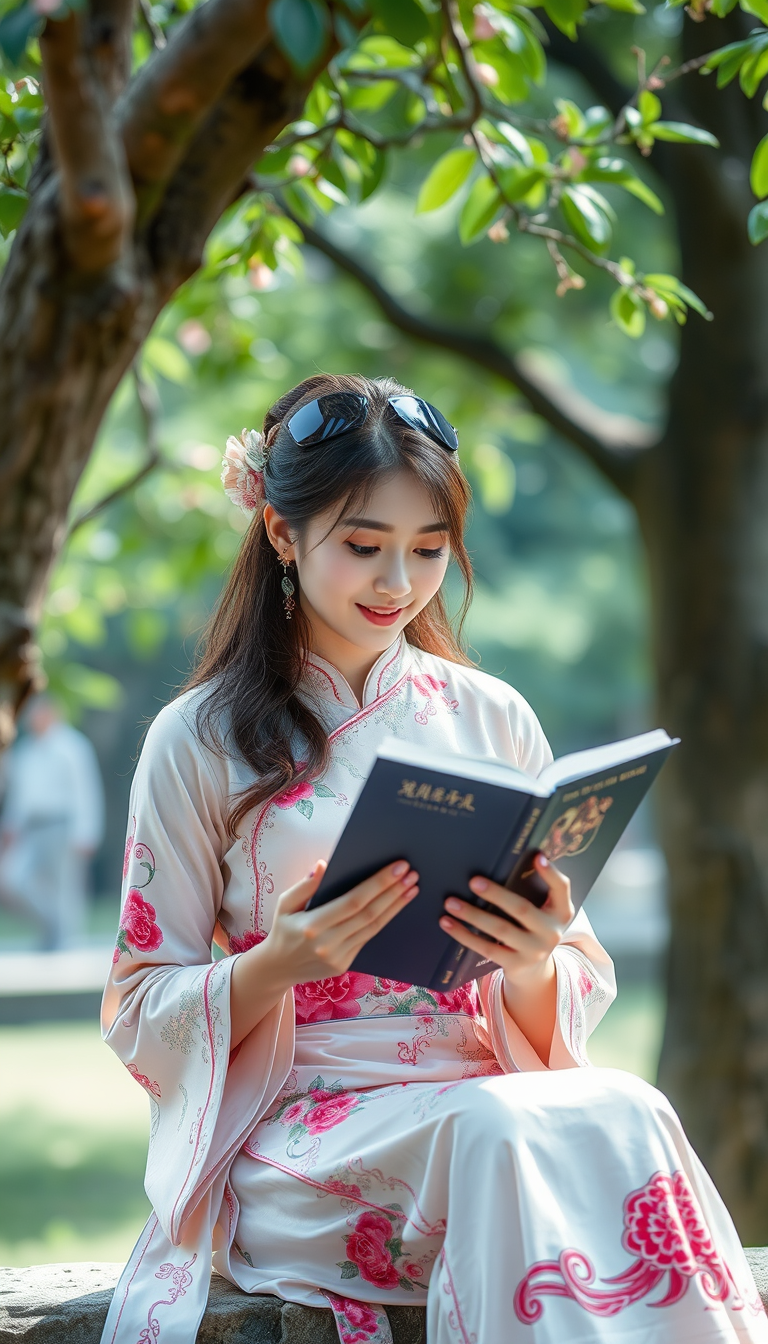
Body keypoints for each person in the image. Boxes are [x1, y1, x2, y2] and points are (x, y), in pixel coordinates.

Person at [100, 374, 767, 1344]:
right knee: (497, 1134)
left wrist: (532, 956)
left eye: (428, 550)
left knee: (627, 1103)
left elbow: (569, 974)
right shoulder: (198, 737)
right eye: (364, 547)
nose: (398, 585)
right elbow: (138, 1005)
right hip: (301, 1135)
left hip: (475, 1098)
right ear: (284, 537)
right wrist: (279, 963)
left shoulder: (490, 714)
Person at [0, 695, 104, 950]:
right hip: (31, 828)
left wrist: (87, 832)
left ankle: (65, 944)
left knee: (65, 887)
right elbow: (21, 796)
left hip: (62, 824)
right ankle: (52, 928)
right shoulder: (26, 751)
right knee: (13, 880)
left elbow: (85, 791)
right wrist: (10, 826)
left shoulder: (72, 746)